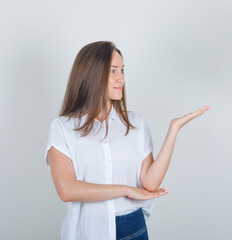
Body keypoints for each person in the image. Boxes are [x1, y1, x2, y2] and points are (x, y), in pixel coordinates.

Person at [44, 41, 211, 240]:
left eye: (122, 70)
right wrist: (126, 190)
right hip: (88, 229)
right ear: (92, 74)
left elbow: (149, 183)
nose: (121, 78)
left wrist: (173, 130)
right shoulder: (63, 128)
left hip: (133, 227)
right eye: (113, 71)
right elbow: (67, 190)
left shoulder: (136, 124)